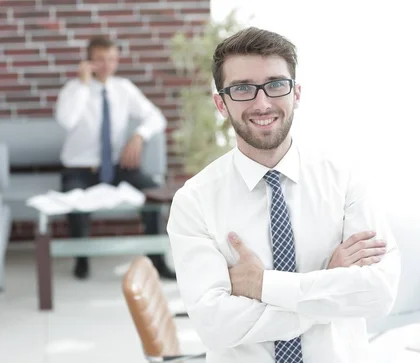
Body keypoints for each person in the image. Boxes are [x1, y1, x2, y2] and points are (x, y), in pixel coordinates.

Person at [166, 27, 401, 363]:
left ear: (297, 93)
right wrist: (328, 285)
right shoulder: (194, 202)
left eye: (276, 84)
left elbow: (378, 296)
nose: (262, 103)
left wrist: (262, 286)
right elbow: (215, 327)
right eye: (243, 89)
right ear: (221, 103)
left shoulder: (346, 179)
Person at [54, 36, 175, 280]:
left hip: (118, 167)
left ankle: (157, 261)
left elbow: (156, 117)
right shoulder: (73, 90)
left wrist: (139, 135)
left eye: (111, 58)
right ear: (88, 61)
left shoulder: (123, 88)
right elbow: (67, 121)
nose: (107, 65)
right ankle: (82, 260)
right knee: (75, 204)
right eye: (100, 59)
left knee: (153, 193)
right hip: (80, 169)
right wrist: (84, 85)